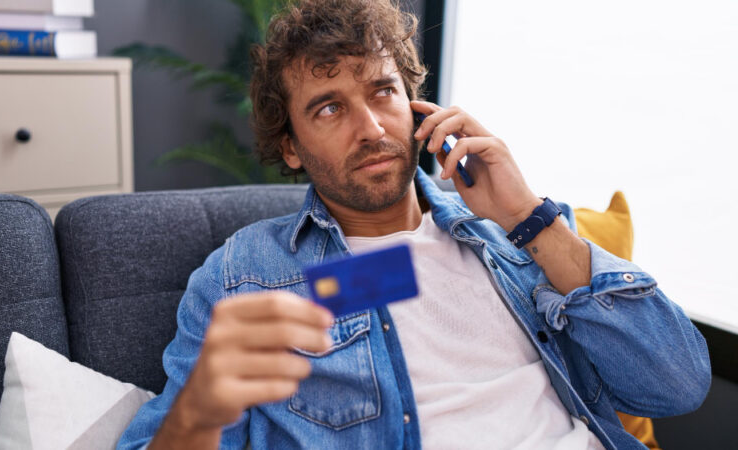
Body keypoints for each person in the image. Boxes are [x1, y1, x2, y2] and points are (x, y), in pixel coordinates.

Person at [118, 1, 710, 449]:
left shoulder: (512, 240)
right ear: (290, 146)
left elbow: (678, 386)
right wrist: (197, 414)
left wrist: (529, 217)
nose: (372, 128)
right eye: (329, 107)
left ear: (417, 106)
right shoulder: (244, 274)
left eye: (383, 91)